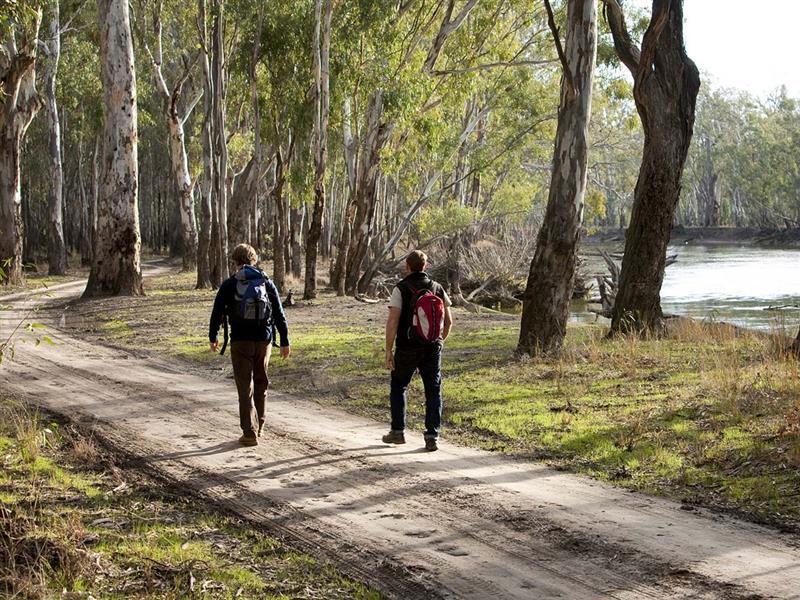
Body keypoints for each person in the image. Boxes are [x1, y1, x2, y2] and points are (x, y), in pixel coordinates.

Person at [209, 244, 291, 446]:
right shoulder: (266, 282)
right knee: (261, 382)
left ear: (235, 262)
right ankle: (261, 425)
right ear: (254, 259)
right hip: (264, 340)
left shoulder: (230, 284)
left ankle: (249, 432)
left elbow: (217, 312)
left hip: (240, 341)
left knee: (245, 387)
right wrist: (285, 341)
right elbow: (279, 313)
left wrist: (213, 336)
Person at [383, 250, 453, 451]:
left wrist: (389, 349)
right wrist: (439, 341)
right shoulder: (438, 288)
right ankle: (432, 437)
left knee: (399, 386)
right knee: (433, 391)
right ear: (426, 266)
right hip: (432, 348)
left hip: (406, 347)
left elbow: (393, 320)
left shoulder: (401, 288)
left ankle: (397, 432)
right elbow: (449, 322)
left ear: (407, 266)